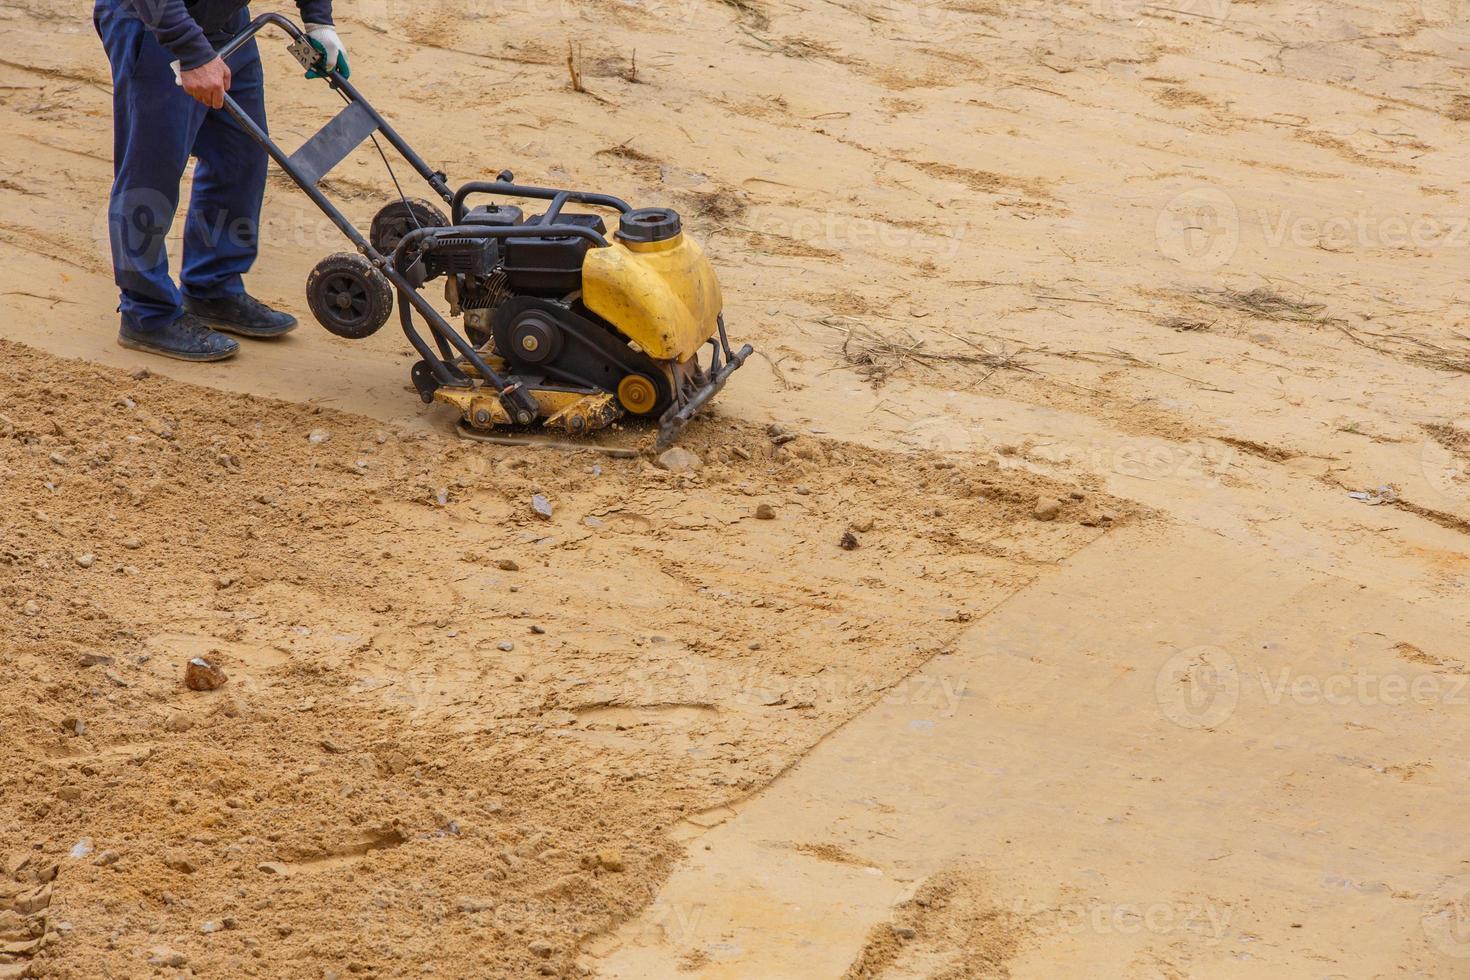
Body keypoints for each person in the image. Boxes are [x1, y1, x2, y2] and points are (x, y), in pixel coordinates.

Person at [94, 0, 350, 361]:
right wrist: (192, 51)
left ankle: (212, 286)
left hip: (226, 20)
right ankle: (146, 313)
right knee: (152, 169)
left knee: (241, 154)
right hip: (154, 23)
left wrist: (318, 22)